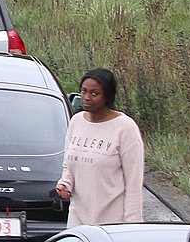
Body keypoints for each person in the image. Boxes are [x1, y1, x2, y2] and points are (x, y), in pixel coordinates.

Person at [59, 68, 146, 225]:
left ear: (107, 96)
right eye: (84, 91)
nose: (86, 97)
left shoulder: (125, 128)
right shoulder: (76, 122)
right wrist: (65, 184)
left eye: (94, 93)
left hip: (112, 225)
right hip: (78, 222)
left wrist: (132, 225)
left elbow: (134, 183)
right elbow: (68, 166)